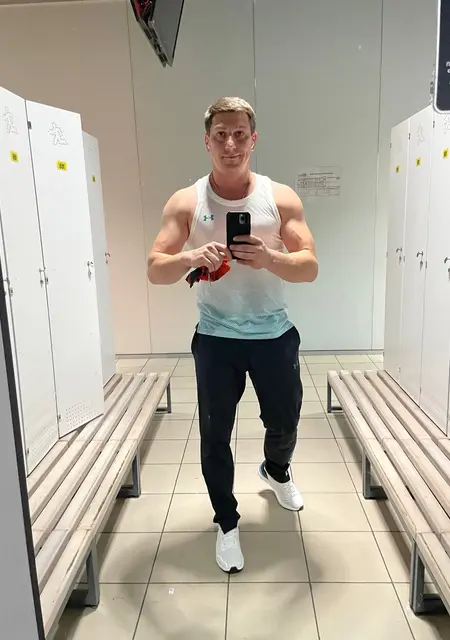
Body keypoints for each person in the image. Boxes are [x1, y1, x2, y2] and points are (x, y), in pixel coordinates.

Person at [147, 97, 318, 574]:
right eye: (220, 134)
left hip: (273, 334)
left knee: (285, 420)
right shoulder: (186, 202)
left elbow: (309, 266)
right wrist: (189, 257)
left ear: (253, 139)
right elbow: (155, 268)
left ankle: (276, 470)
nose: (230, 144)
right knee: (215, 434)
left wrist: (270, 258)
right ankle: (226, 521)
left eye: (239, 134)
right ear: (207, 141)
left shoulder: (279, 197)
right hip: (216, 338)